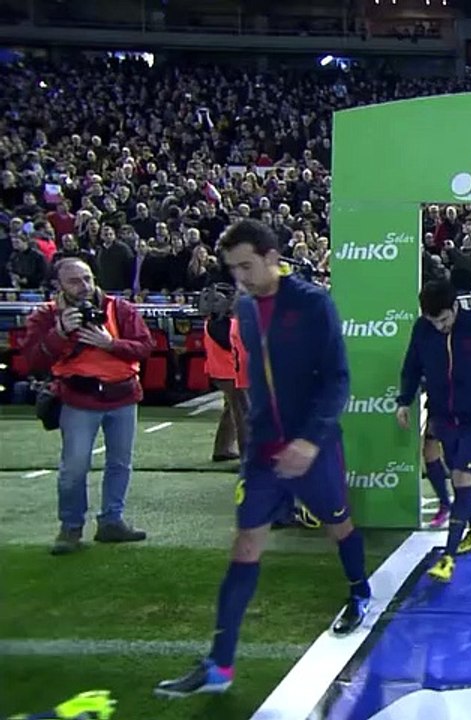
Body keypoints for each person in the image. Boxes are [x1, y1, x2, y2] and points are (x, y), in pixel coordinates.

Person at [155, 219, 369, 698]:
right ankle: (219, 666)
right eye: (233, 270)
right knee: (245, 545)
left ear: (273, 258)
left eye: (247, 266)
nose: (241, 278)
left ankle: (359, 592)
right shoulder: (246, 309)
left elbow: (337, 379)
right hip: (264, 452)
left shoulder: (313, 303)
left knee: (340, 526)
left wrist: (311, 440)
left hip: (313, 448)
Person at [20, 258, 153, 555]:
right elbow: (31, 361)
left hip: (123, 396)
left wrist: (111, 344)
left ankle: (111, 522)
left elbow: (145, 347)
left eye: (87, 279)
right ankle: (71, 528)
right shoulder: (47, 315)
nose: (84, 287)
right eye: (75, 281)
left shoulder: (120, 309)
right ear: (59, 286)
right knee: (74, 469)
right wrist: (59, 332)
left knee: (120, 465)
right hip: (78, 399)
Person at [395, 279, 471, 583]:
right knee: (455, 472)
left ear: (456, 307)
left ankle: (447, 557)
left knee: (462, 478)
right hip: (442, 414)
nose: (439, 327)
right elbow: (411, 366)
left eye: (444, 320)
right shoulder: (423, 329)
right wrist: (404, 400)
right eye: (433, 321)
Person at [198, 283, 247, 464]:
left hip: (222, 370)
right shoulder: (224, 324)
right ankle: (247, 456)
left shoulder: (214, 321)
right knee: (241, 413)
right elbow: (234, 345)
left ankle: (223, 448)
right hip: (229, 372)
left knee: (231, 409)